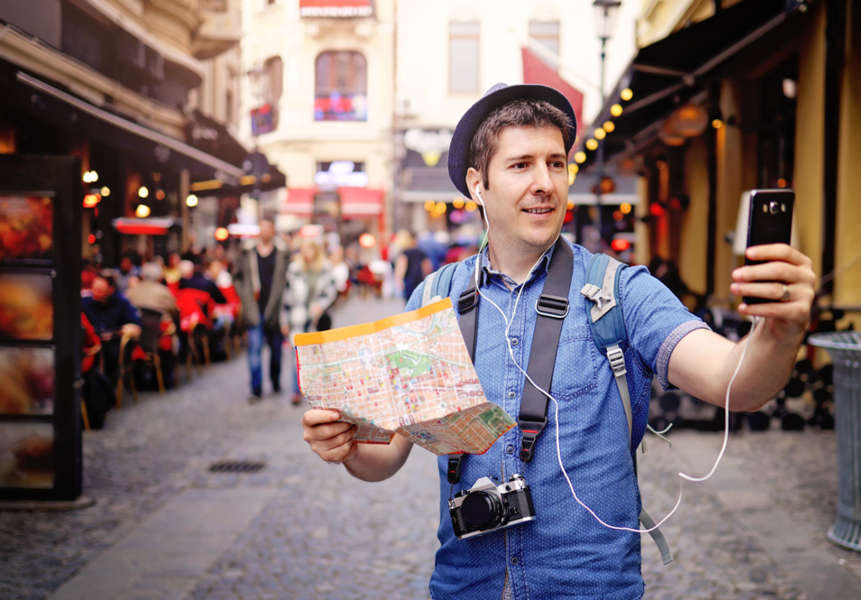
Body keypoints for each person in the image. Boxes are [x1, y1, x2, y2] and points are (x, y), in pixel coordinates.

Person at [301, 84, 816, 599]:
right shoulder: (434, 299)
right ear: (478, 184)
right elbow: (387, 456)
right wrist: (347, 446)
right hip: (465, 587)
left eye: (556, 163)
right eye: (521, 165)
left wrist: (780, 329)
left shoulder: (620, 292)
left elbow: (738, 383)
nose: (545, 183)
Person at [233, 217, 290, 403]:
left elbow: (287, 280)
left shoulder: (282, 253)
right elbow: (237, 277)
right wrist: (245, 297)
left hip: (274, 309)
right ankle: (255, 388)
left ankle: (275, 381)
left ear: (273, 231)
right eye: (262, 228)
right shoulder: (247, 252)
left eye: (268, 228)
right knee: (254, 351)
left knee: (276, 352)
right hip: (254, 308)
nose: (265, 232)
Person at [281, 237, 339, 406]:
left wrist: (321, 305)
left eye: (310, 249)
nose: (307, 253)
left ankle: (318, 392)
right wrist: (284, 320)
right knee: (297, 357)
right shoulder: (294, 269)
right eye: (304, 250)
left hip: (318, 320)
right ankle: (296, 391)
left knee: (318, 356)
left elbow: (331, 291)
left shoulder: (325, 268)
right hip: (298, 319)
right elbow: (286, 297)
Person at [81, 270, 142, 386]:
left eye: (100, 291)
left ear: (111, 290)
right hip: (92, 343)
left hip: (114, 342)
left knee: (112, 353)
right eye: (94, 290)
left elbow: (134, 324)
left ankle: (107, 387)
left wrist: (119, 332)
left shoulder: (121, 302)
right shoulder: (86, 302)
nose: (95, 294)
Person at [393, 230, 433, 301]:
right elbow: (427, 267)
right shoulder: (421, 251)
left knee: (409, 303)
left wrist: (399, 280)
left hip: (408, 282)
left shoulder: (404, 253)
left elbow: (401, 267)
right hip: (420, 281)